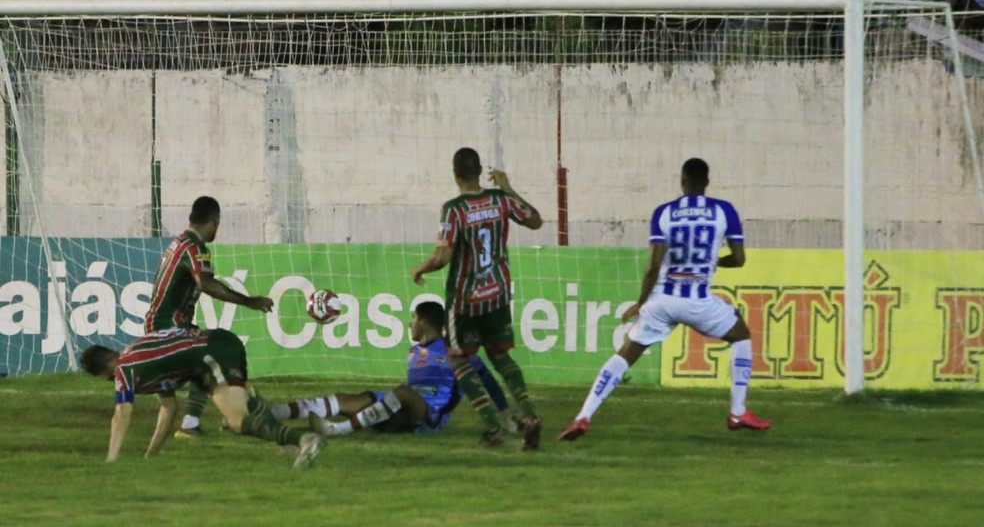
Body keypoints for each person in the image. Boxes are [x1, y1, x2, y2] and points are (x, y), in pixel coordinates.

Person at [559, 157, 771, 441]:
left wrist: (641, 301)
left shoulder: (664, 213)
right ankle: (737, 412)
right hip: (698, 300)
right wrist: (712, 263)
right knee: (741, 335)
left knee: (626, 354)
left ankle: (583, 416)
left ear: (681, 182)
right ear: (707, 182)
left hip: (662, 300)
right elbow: (740, 259)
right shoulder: (725, 211)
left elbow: (654, 265)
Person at [411, 147, 544, 449]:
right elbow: (536, 221)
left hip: (465, 300)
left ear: (455, 174)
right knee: (501, 357)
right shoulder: (500, 200)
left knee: (459, 361)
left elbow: (443, 257)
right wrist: (507, 187)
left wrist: (421, 268)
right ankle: (530, 415)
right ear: (478, 170)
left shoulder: (454, 209)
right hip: (496, 294)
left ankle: (492, 428)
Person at [79, 326, 322, 468]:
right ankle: (293, 444)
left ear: (110, 363)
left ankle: (305, 440)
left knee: (236, 420)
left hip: (211, 352)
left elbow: (121, 413)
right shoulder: (143, 361)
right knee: (240, 414)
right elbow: (169, 409)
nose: (114, 382)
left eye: (109, 378)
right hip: (215, 347)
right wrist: (150, 455)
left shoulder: (125, 367)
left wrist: (111, 460)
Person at [270, 300, 510, 435]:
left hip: (430, 416)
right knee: (352, 399)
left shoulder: (453, 352)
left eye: (414, 318)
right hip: (401, 408)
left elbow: (487, 379)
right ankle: (272, 413)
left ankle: (337, 429)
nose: (410, 324)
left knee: (403, 392)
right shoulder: (414, 352)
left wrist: (504, 411)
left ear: (424, 322)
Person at [143, 195, 274, 438]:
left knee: (206, 359)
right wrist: (249, 301)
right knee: (212, 354)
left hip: (161, 323)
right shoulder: (195, 248)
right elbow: (205, 283)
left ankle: (203, 420)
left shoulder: (179, 242)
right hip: (167, 326)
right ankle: (225, 413)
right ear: (215, 222)